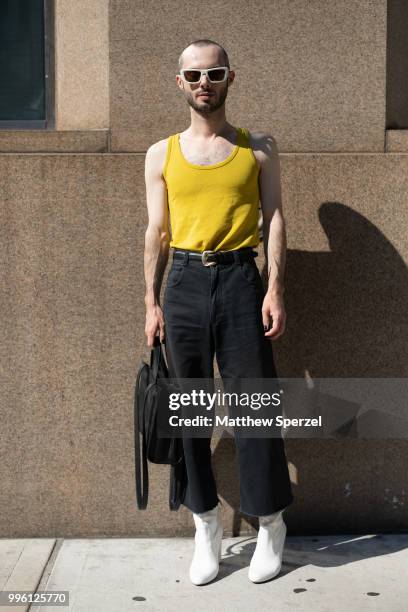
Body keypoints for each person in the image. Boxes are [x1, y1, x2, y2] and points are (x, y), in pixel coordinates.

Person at [143, 38, 294, 586]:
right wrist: (151, 301)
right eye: (194, 75)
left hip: (239, 280)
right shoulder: (161, 153)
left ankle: (269, 524)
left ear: (232, 78)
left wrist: (274, 289)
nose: (204, 82)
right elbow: (156, 232)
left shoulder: (258, 149)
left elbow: (274, 219)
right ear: (179, 83)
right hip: (183, 281)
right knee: (190, 414)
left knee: (254, 409)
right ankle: (205, 525)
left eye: (215, 72)